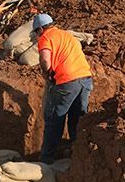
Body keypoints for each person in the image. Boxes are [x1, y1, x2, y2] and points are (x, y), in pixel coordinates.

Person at [33, 13, 93, 164]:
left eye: (36, 32)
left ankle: (46, 160)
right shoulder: (66, 35)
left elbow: (45, 60)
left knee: (55, 119)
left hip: (67, 82)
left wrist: (47, 73)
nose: (36, 35)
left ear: (40, 29)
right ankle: (77, 155)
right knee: (77, 119)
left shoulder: (45, 38)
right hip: (85, 79)